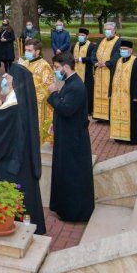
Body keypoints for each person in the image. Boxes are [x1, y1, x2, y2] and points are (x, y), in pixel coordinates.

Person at [0, 67, 47, 234]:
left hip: (12, 160)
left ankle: (9, 224)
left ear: (15, 82)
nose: (4, 81)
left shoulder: (13, 104)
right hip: (23, 156)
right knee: (26, 191)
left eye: (7, 78)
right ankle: (30, 226)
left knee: (13, 191)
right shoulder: (23, 100)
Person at [46, 51, 94, 222]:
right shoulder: (69, 83)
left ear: (66, 67)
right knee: (64, 173)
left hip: (73, 139)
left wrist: (53, 93)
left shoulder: (75, 86)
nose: (55, 71)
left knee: (72, 175)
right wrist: (55, 123)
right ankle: (63, 208)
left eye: (57, 68)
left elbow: (66, 109)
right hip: (66, 134)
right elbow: (66, 108)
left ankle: (73, 213)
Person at [109, 40, 137, 145]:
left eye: (125, 49)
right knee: (118, 116)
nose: (123, 51)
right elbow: (112, 78)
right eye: (121, 49)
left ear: (131, 50)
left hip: (131, 96)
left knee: (134, 118)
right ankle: (119, 137)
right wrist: (110, 93)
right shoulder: (118, 61)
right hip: (117, 96)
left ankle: (134, 139)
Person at [19, 38, 54, 143]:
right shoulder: (25, 63)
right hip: (24, 101)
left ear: (37, 51)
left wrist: (29, 91)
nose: (26, 53)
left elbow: (47, 86)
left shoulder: (44, 66)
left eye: (29, 50)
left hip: (37, 104)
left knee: (36, 131)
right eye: (26, 50)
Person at [91, 22, 122, 122]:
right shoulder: (101, 41)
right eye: (106, 29)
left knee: (109, 93)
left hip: (110, 71)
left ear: (114, 30)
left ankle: (109, 117)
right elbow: (93, 53)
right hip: (99, 71)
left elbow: (117, 55)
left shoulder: (119, 41)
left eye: (109, 29)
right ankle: (99, 116)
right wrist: (95, 62)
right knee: (98, 92)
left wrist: (106, 63)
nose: (107, 31)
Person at [71, 28, 95, 115]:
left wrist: (80, 59)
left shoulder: (91, 46)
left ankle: (88, 110)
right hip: (75, 72)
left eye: (83, 35)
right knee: (75, 90)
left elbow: (92, 59)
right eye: (80, 35)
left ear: (87, 36)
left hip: (87, 73)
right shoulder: (74, 45)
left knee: (87, 91)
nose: (80, 36)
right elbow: (70, 55)